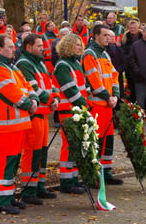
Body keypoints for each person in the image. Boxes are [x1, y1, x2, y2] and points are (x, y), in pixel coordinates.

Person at [0, 34, 39, 214]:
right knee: (4, 164)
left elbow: (27, 87)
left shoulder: (9, 67)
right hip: (2, 126)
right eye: (10, 46)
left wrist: (34, 98)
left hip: (13, 125)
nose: (14, 49)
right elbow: (12, 93)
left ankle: (8, 196)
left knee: (11, 163)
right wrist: (30, 104)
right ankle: (1, 201)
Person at [15, 34, 59, 204]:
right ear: (28, 47)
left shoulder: (39, 62)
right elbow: (34, 88)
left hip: (43, 113)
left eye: (42, 45)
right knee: (32, 152)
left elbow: (49, 84)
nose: (43, 48)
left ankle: (40, 186)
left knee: (42, 152)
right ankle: (28, 189)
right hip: (33, 115)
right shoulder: (24, 64)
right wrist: (51, 99)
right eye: (39, 46)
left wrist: (54, 97)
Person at [82, 24, 122, 185]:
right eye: (104, 35)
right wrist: (108, 96)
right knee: (96, 139)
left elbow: (114, 75)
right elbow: (93, 81)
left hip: (108, 104)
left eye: (108, 35)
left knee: (108, 138)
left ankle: (106, 171)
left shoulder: (105, 54)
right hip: (97, 104)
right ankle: (94, 173)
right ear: (96, 36)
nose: (108, 38)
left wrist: (116, 95)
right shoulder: (89, 54)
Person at [52, 34, 92, 194]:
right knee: (69, 146)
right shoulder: (63, 65)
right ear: (68, 46)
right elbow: (70, 90)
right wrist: (85, 105)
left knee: (76, 146)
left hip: (78, 110)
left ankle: (74, 178)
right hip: (69, 110)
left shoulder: (75, 63)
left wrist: (86, 104)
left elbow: (84, 86)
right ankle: (66, 181)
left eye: (80, 44)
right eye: (76, 45)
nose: (80, 47)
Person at [121, 19, 142, 103]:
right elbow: (123, 54)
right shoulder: (125, 39)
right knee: (132, 90)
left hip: (141, 68)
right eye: (131, 28)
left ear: (138, 27)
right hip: (130, 70)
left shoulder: (142, 37)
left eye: (134, 27)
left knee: (141, 90)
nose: (132, 29)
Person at [106, 30, 125, 99]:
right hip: (108, 76)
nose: (112, 38)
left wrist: (118, 71)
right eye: (110, 36)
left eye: (113, 36)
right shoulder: (104, 50)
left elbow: (124, 62)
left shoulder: (119, 49)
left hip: (118, 75)